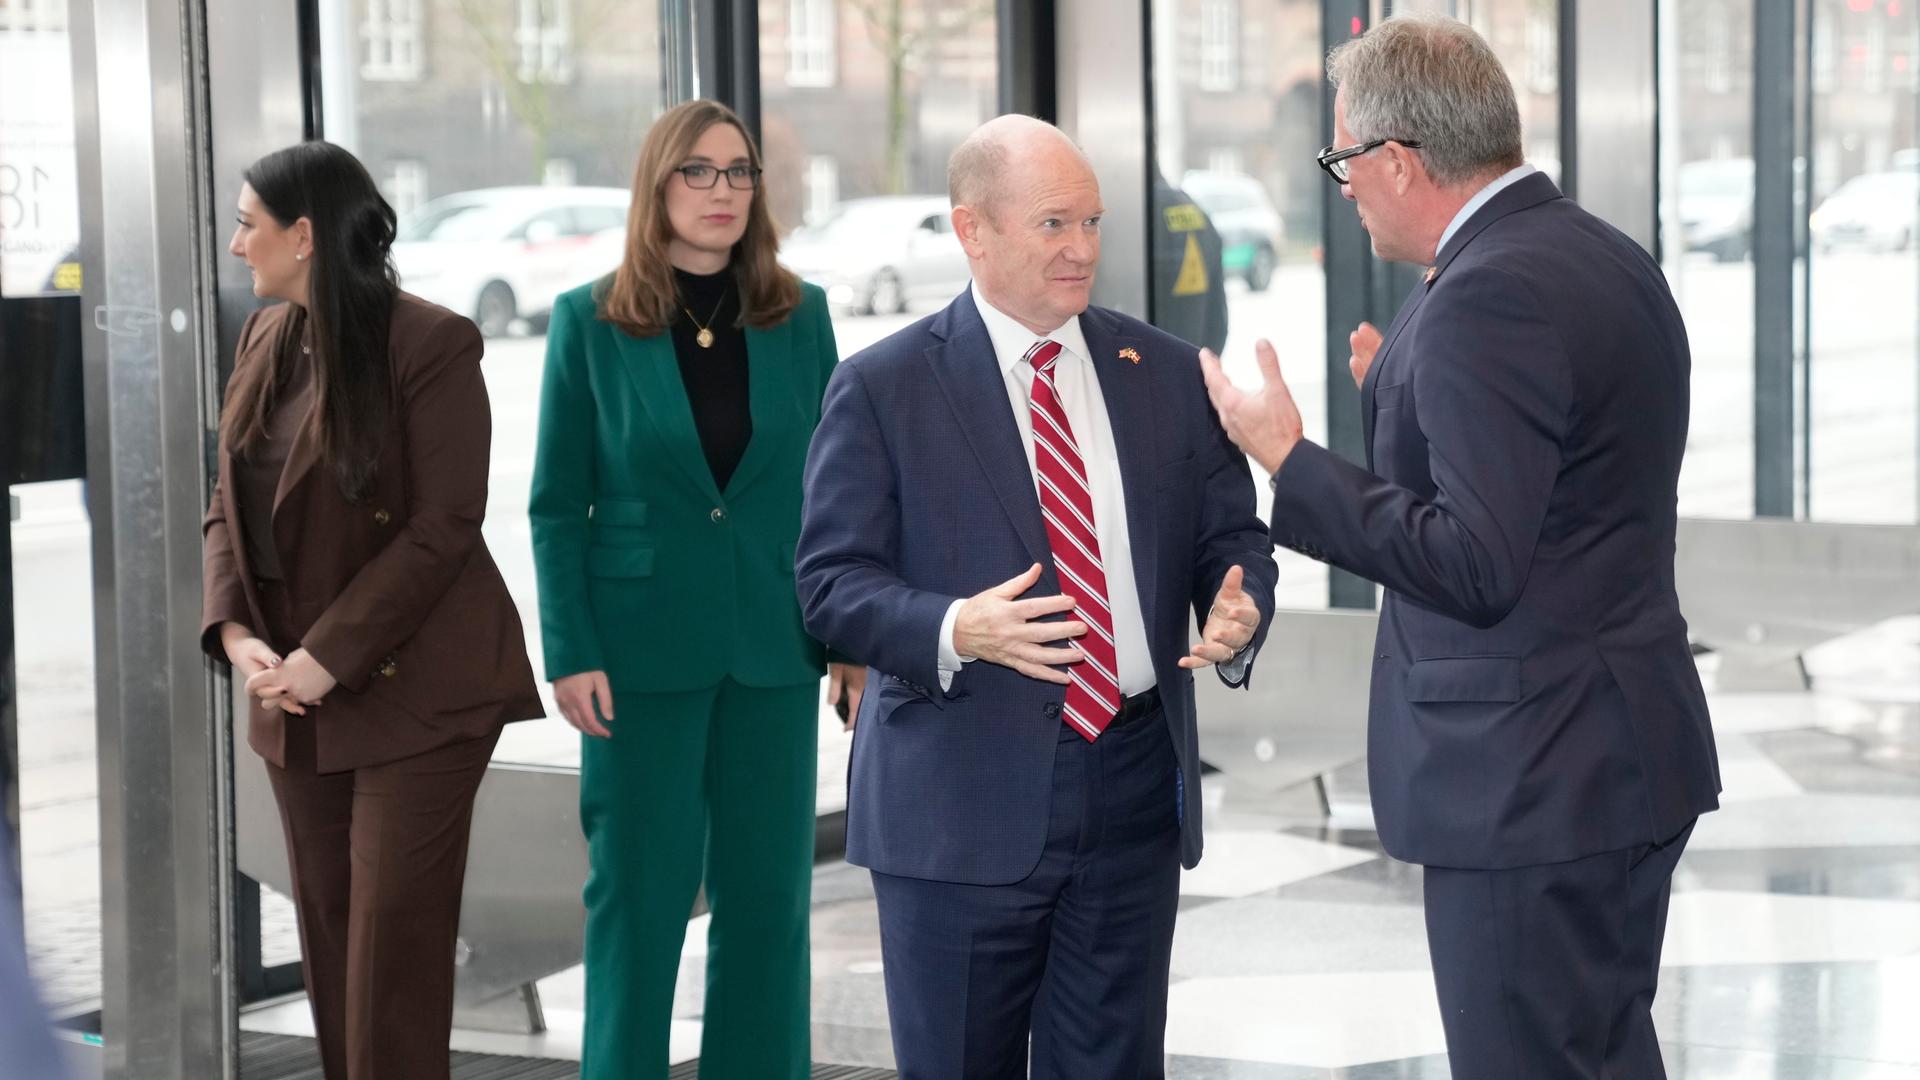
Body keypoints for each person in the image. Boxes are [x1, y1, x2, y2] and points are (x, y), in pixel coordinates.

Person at [1198, 16, 1721, 1079]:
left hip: (1530, 780)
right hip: (1613, 753)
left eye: (1343, 158)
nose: (1340, 184)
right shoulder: (1597, 254)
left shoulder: (1487, 294)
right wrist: (1407, 389)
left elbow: (1480, 564)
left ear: (1398, 160)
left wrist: (1291, 458)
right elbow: (1565, 484)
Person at [796, 114, 1277, 1079]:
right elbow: (829, 586)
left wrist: (1239, 601)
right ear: (972, 230)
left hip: (1133, 785)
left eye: (1093, 223)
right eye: (1055, 224)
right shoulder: (883, 386)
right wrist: (952, 625)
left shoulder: (1167, 372)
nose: (1083, 249)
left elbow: (1230, 536)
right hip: (959, 800)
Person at [200, 141, 543, 1080]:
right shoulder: (265, 336)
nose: (236, 245)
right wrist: (237, 634)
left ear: (303, 235)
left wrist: (326, 656)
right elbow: (225, 505)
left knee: (391, 955)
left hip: (416, 691)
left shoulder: (433, 343)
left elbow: (442, 529)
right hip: (295, 691)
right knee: (334, 941)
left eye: (247, 223)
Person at [528, 99, 856, 1080]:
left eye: (739, 173)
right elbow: (556, 505)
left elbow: (840, 497)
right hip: (636, 656)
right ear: (657, 186)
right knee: (638, 899)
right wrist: (571, 648)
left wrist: (848, 636)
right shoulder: (590, 321)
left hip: (773, 647)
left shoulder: (802, 317)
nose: (722, 192)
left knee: (769, 906)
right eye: (698, 172)